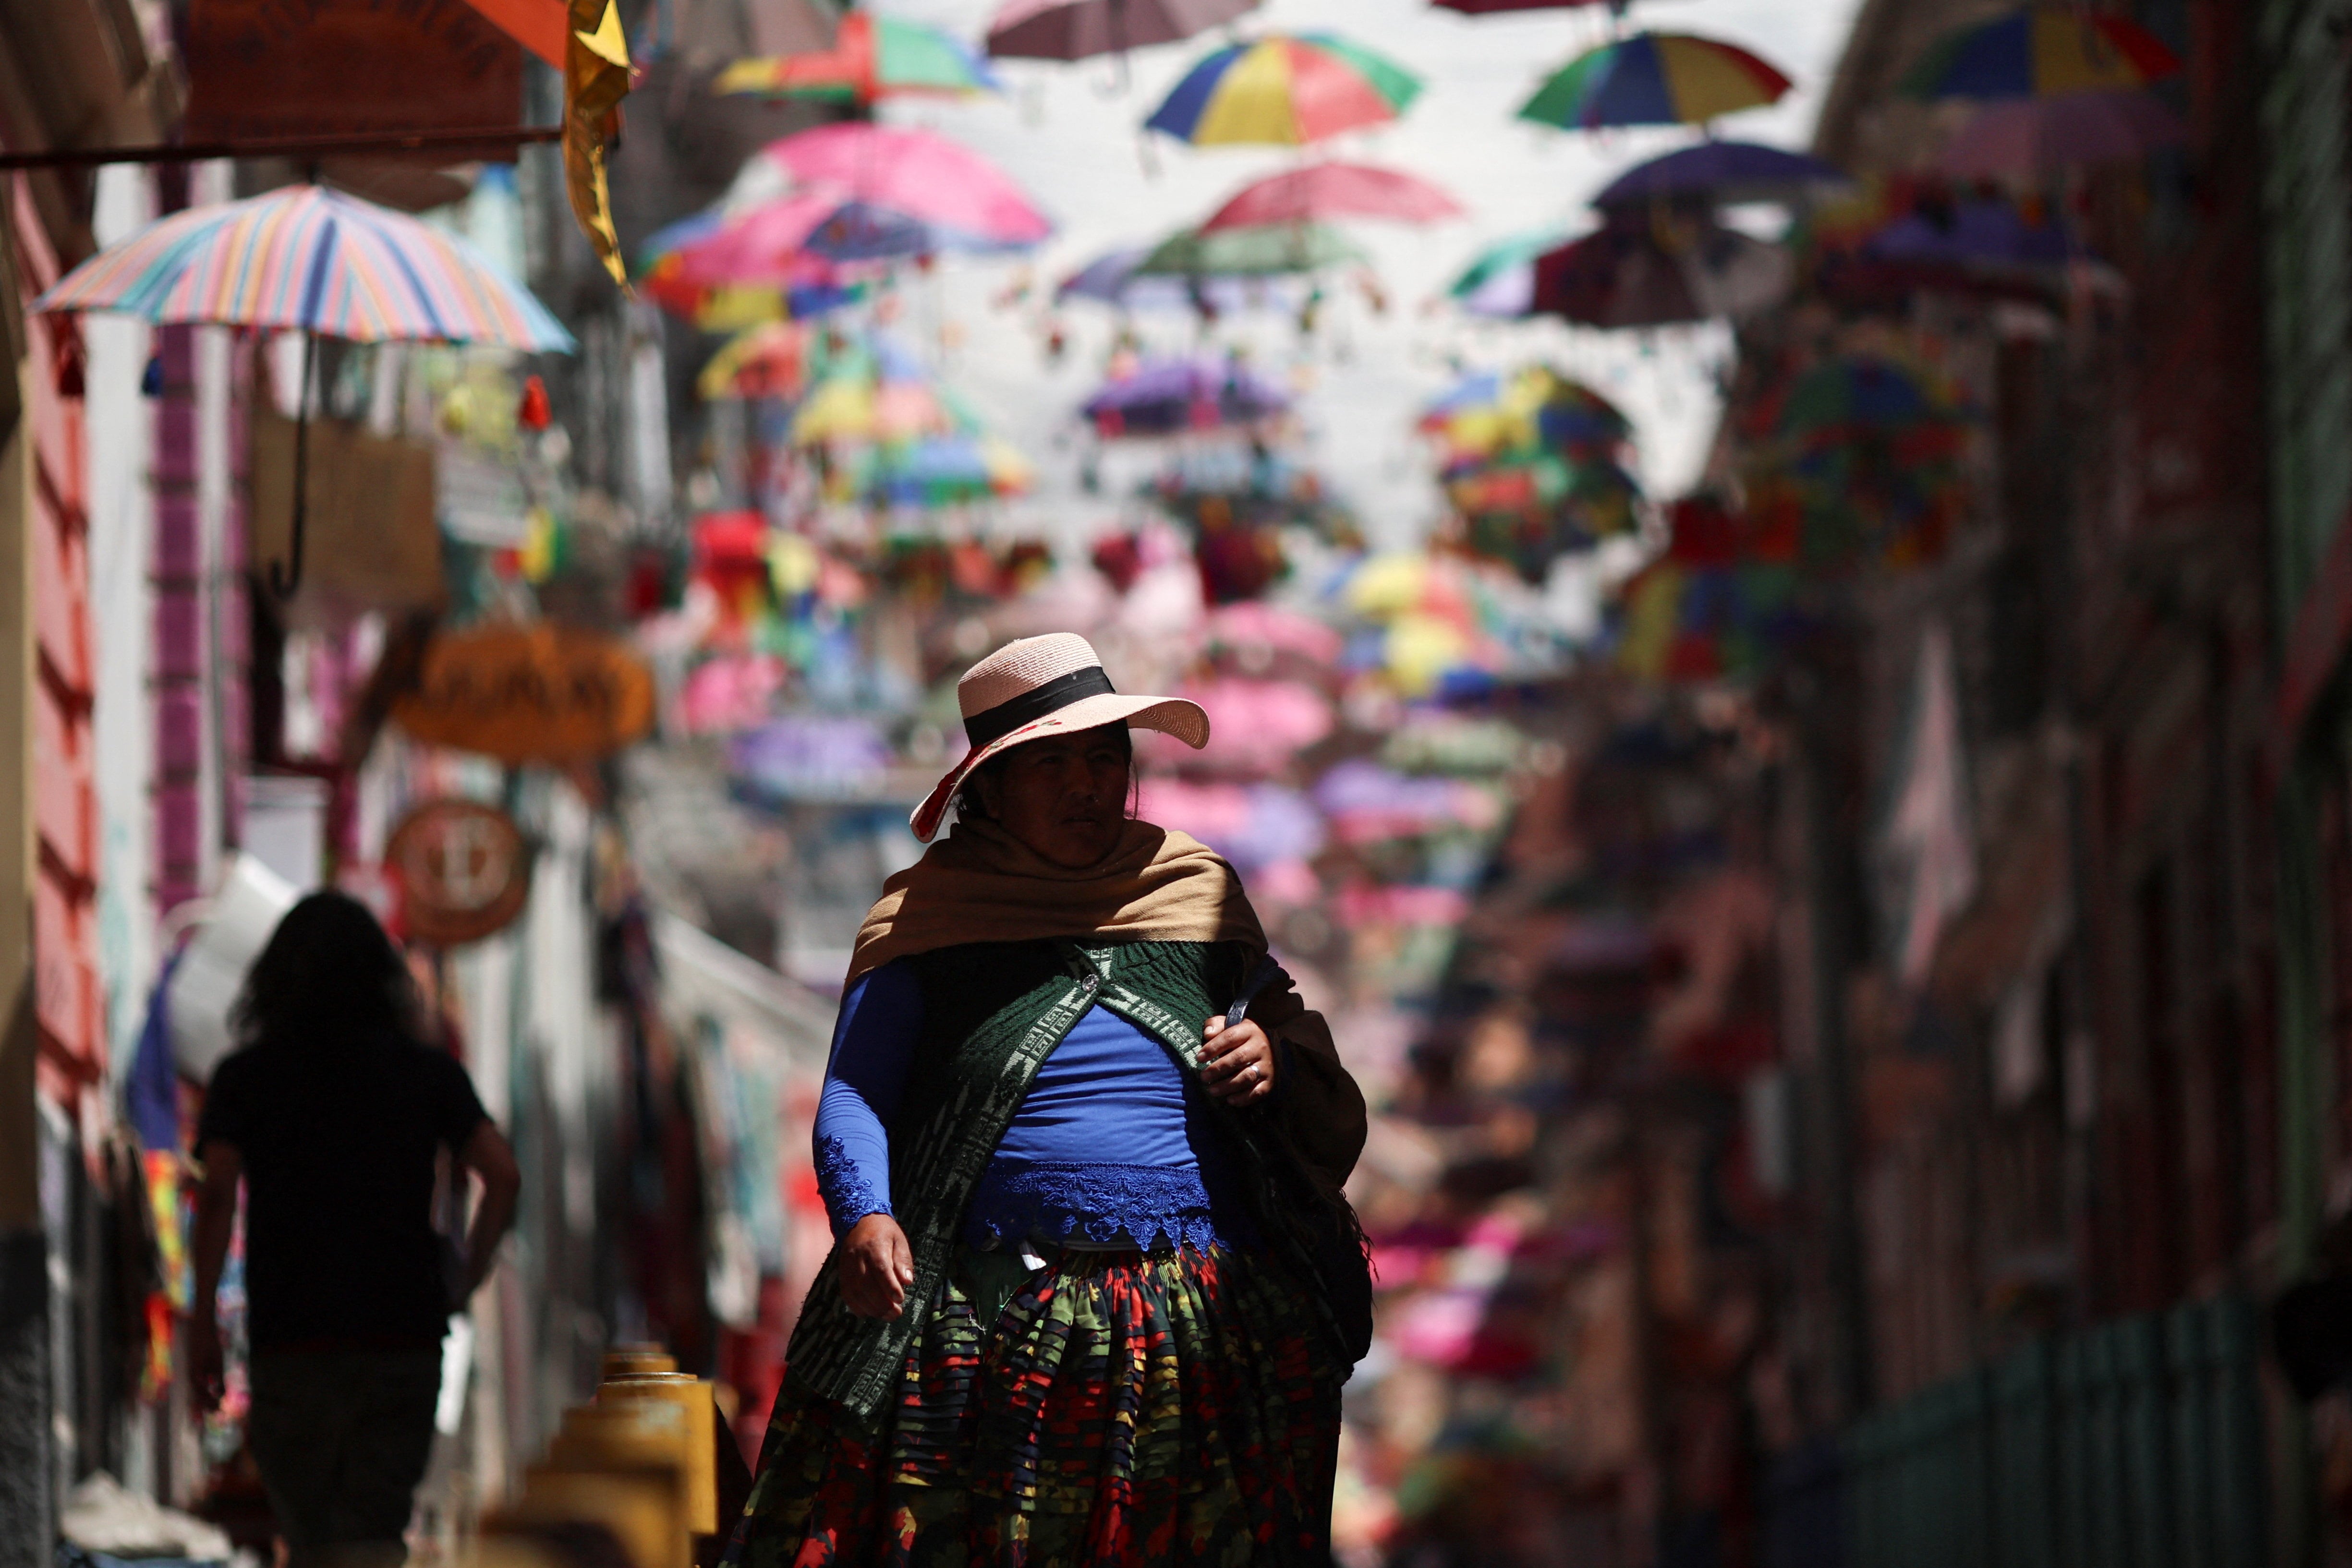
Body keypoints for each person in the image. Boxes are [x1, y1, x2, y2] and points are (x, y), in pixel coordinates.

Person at [734, 633, 1370, 1568]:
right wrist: (865, 1214)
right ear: (988, 789)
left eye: (1104, 758)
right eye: (1051, 765)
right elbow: (857, 1090)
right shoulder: (927, 919)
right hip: (992, 1322)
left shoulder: (1194, 895)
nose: (1086, 785)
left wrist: (1271, 1056)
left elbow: (1295, 1044)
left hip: (1195, 1320)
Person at [189, 891, 521, 1568]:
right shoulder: (427, 1073)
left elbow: (218, 1192)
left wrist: (202, 1325)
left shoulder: (245, 1078)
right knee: (374, 1537)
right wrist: (465, 1278)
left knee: (312, 1542)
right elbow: (503, 1174)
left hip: (291, 1342)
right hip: (400, 1338)